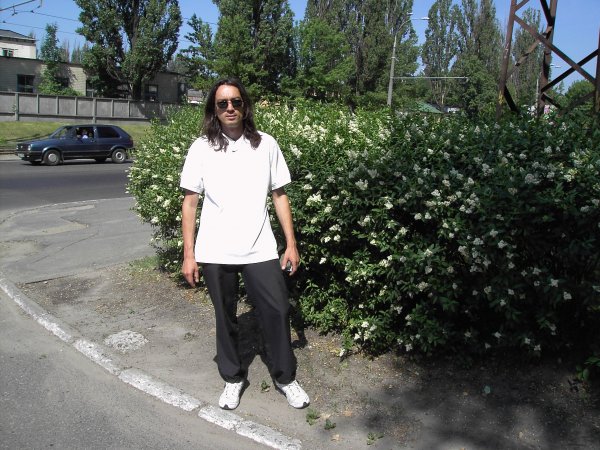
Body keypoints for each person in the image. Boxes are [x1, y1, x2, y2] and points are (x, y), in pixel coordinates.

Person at [180, 78, 310, 411]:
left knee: (278, 310)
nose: (230, 108)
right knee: (225, 317)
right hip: (215, 249)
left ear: (245, 106)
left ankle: (285, 378)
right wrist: (189, 254)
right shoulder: (201, 148)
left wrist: (291, 244)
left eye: (235, 102)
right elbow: (190, 203)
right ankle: (233, 378)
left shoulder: (266, 144)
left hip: (259, 247)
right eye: (222, 103)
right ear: (213, 109)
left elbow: (279, 195)